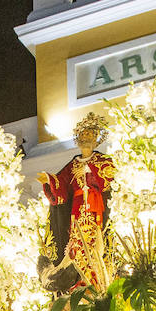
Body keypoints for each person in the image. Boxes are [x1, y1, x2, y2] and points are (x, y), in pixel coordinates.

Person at [36, 112, 116, 292]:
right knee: (76, 239)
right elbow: (62, 185)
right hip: (77, 209)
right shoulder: (72, 165)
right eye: (84, 135)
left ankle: (96, 273)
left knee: (95, 237)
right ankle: (75, 271)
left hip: (96, 207)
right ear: (78, 139)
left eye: (90, 135)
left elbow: (110, 177)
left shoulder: (102, 160)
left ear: (96, 140)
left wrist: (89, 169)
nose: (86, 138)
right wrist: (49, 180)